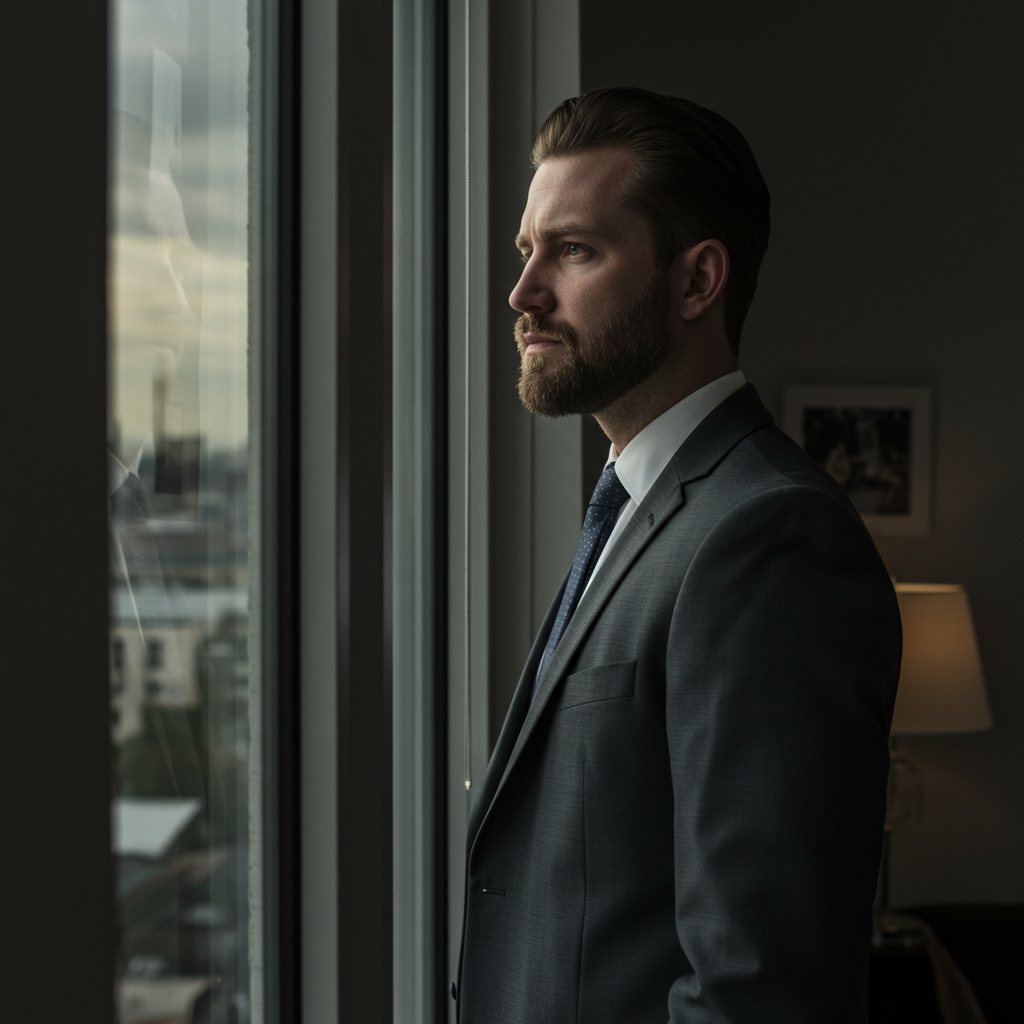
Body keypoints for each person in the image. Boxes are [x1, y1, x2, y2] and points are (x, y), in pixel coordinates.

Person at [455, 88, 901, 1023]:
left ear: (697, 281)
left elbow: (763, 987)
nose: (523, 292)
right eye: (526, 251)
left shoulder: (768, 536)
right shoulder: (638, 509)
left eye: (572, 250)